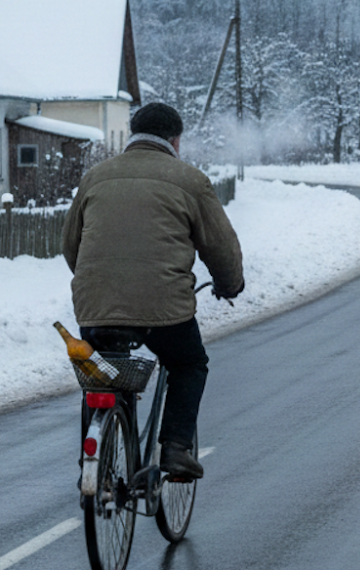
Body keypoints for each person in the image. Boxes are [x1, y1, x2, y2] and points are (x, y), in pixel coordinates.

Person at [62, 102, 243, 480]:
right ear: (175, 139)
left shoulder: (96, 176)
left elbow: (70, 246)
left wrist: (96, 282)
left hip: (96, 306)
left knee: (100, 373)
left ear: (133, 135)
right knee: (189, 364)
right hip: (164, 310)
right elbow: (220, 246)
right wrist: (230, 284)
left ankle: (91, 458)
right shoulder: (189, 180)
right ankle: (175, 449)